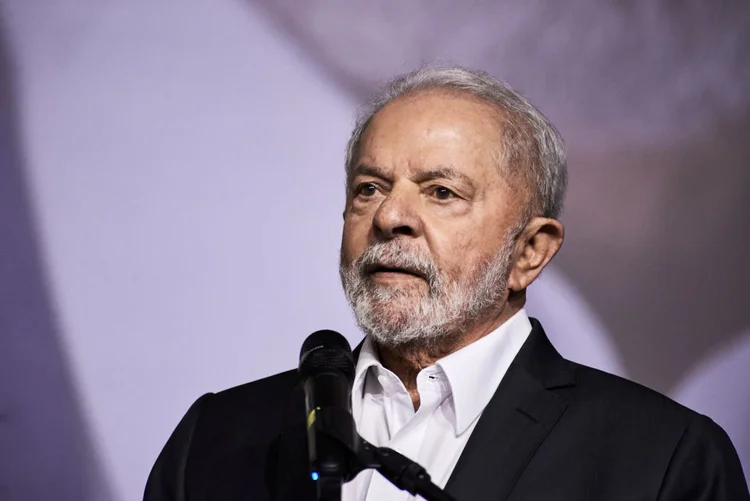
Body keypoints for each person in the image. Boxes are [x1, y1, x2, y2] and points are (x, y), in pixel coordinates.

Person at [143, 66, 749, 501]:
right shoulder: (217, 438)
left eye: (442, 192)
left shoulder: (664, 460)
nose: (389, 217)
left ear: (530, 252)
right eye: (368, 189)